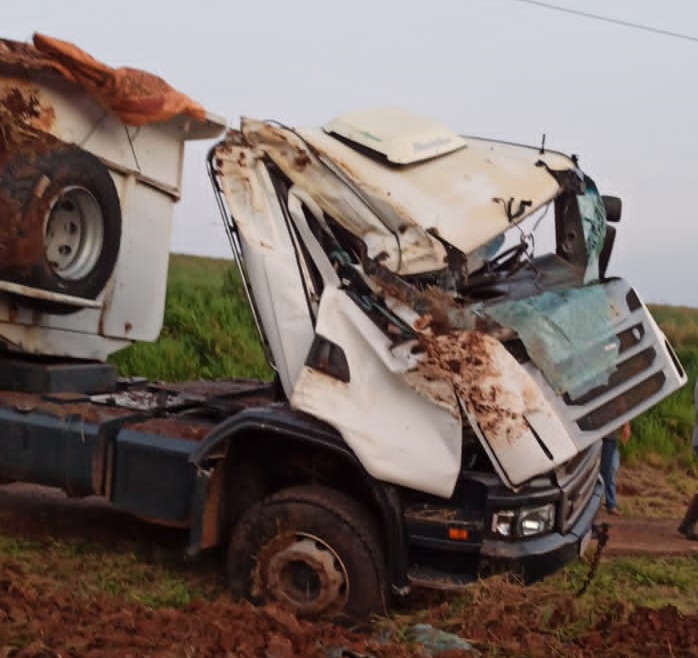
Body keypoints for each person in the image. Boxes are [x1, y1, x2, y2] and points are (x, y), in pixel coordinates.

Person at [600, 421, 631, 515]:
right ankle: (610, 504)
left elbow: (619, 409)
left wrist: (626, 426)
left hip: (610, 439)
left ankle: (610, 504)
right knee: (606, 471)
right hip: (597, 437)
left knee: (611, 470)